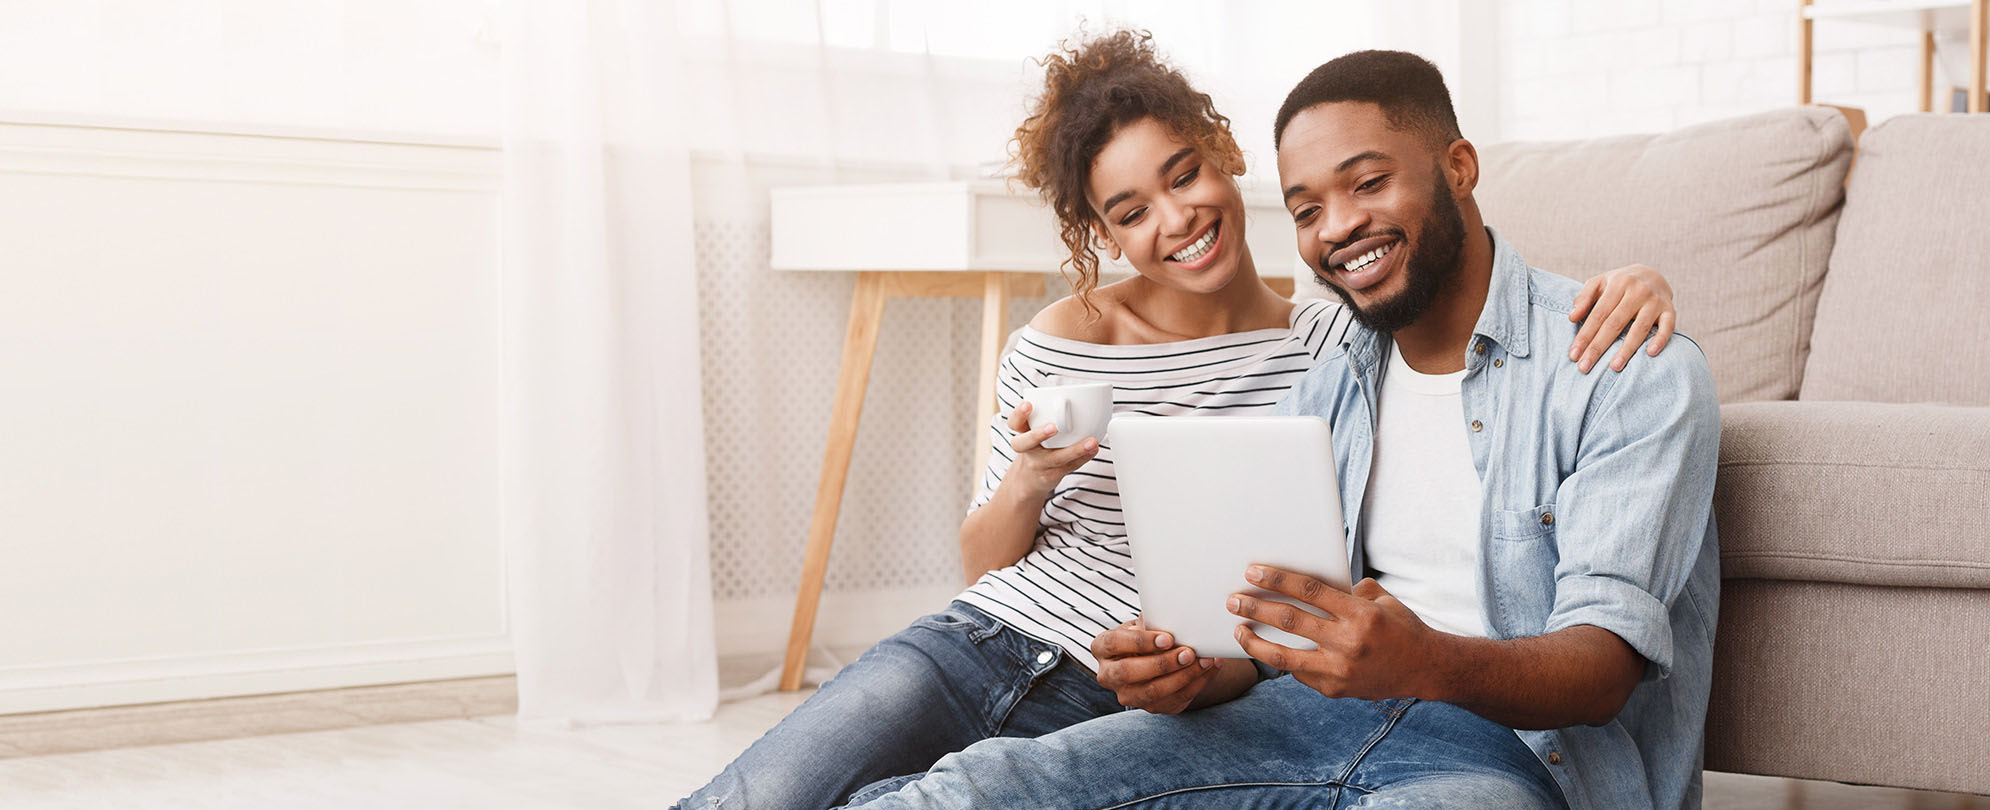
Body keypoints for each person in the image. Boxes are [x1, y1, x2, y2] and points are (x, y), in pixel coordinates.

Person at [672, 33, 1679, 810]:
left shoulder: (1335, 342)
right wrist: (1193, 670)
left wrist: (1638, 283)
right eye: (1312, 206)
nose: (1338, 228)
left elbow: (1598, 663)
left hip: (1464, 740)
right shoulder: (1322, 365)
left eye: (1366, 183)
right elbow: (1253, 615)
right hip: (1069, 655)